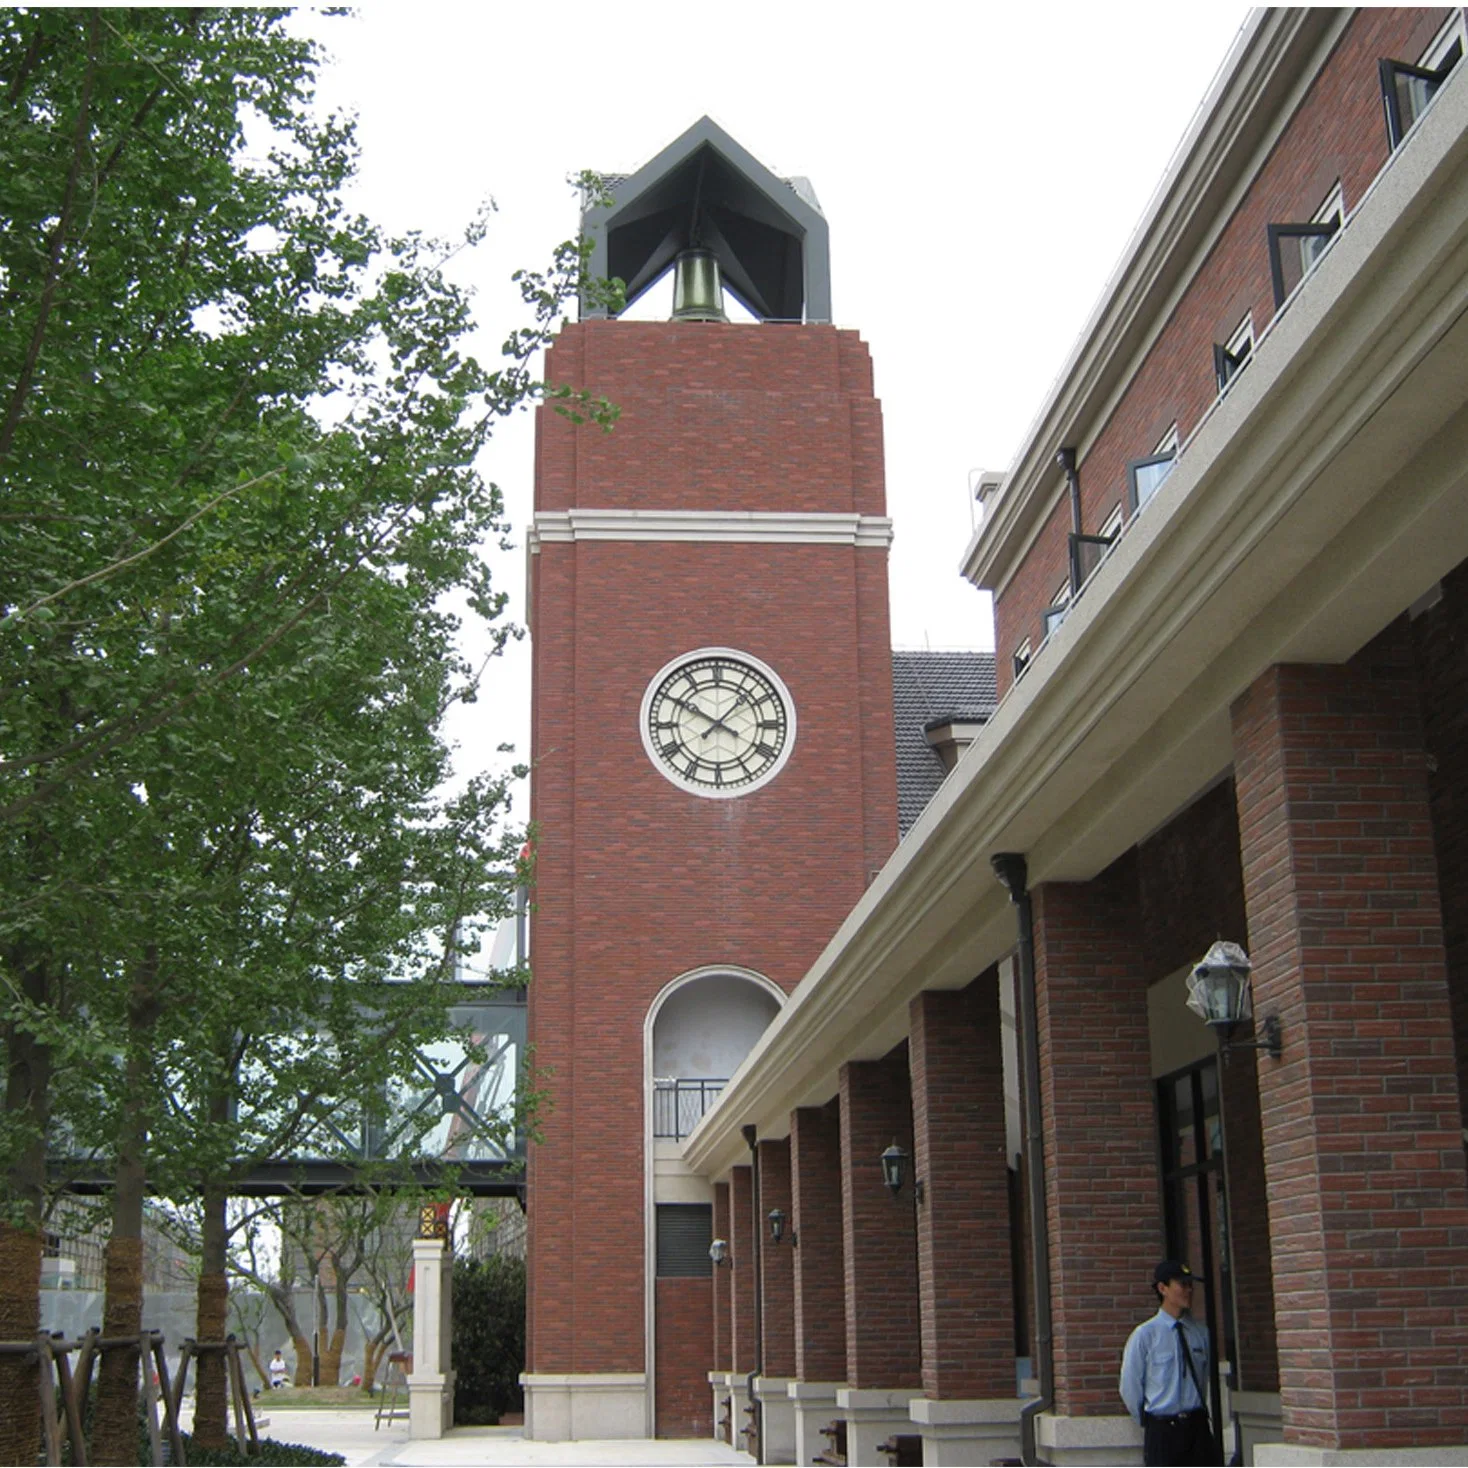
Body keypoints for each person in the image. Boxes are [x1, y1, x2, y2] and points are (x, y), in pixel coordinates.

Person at [1119, 1259, 1220, 1466]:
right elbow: (1130, 1386)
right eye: (1182, 1284)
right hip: (1163, 1428)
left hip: (1196, 1426)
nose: (1189, 1290)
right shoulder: (1145, 1335)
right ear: (1162, 1288)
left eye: (1190, 1285)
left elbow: (1203, 1378)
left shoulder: (1200, 1333)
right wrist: (1150, 1422)